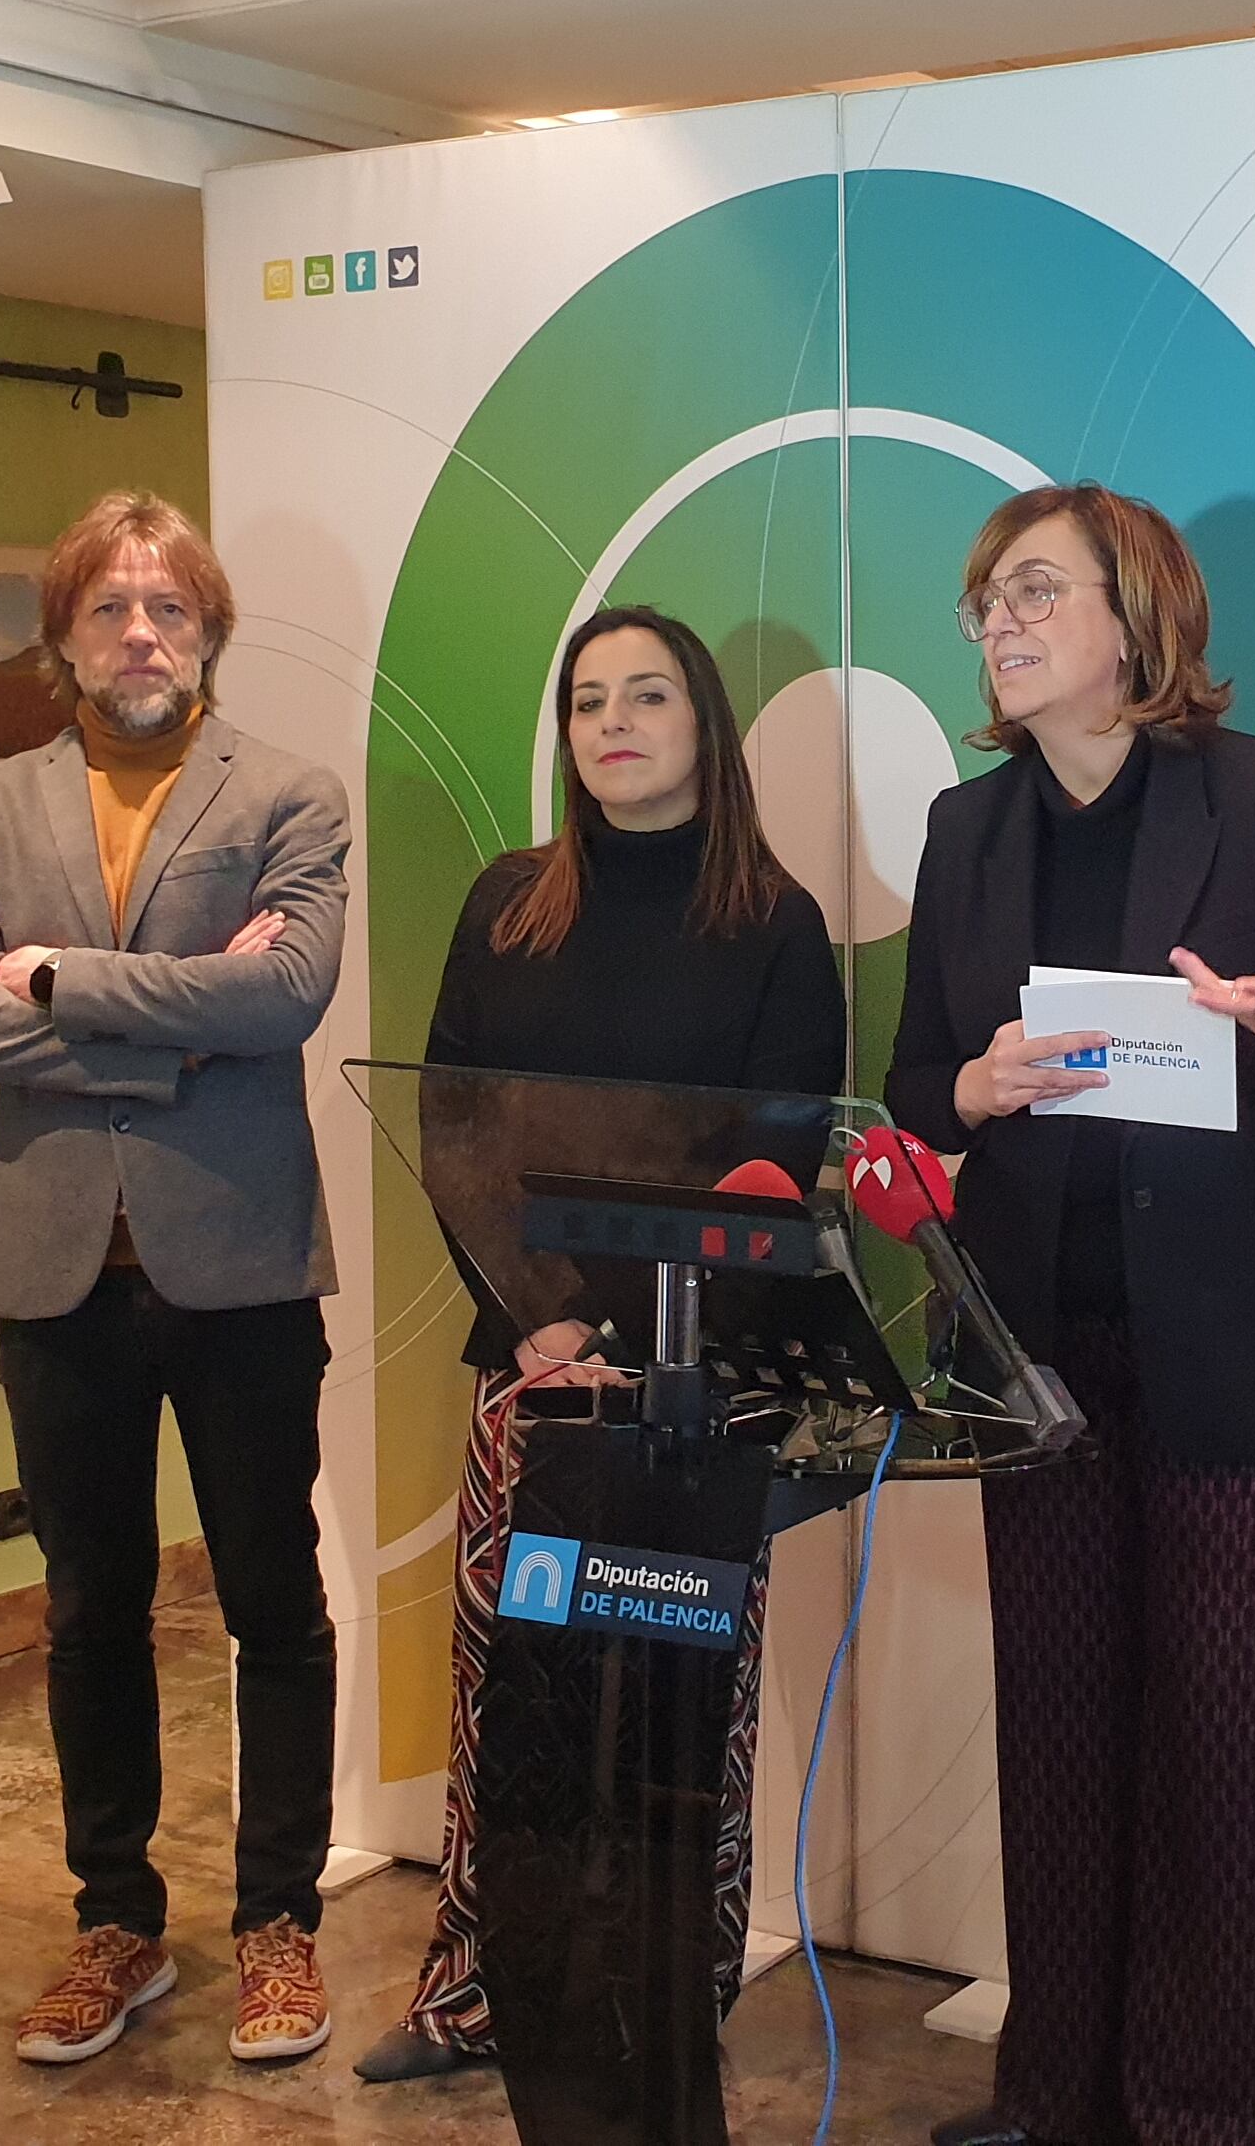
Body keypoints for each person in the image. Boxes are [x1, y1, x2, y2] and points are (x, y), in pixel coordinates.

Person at [889, 483, 1255, 2146]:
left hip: (1248, 1362)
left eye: (1037, 588)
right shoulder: (964, 830)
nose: (999, 616)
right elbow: (917, 1079)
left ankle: (1204, 2115)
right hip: (1041, 1359)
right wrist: (968, 1088)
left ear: (1135, 620)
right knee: (1058, 1744)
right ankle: (1059, 2096)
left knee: (1224, 1763)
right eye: (987, 592)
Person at [357, 603, 850, 2083]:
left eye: (647, 695)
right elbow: (454, 1125)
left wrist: (635, 1330)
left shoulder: (775, 923)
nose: (613, 722)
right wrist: (541, 1317)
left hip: (698, 1392)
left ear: (705, 722)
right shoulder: (509, 902)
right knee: (510, 1689)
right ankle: (478, 1984)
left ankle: (671, 1975)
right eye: (586, 701)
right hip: (532, 1371)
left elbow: (774, 1150)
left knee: (678, 1695)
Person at [0, 489, 353, 2069]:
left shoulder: (291, 795)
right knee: (90, 1608)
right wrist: (177, 1019)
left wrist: (56, 982)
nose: (142, 635)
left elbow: (287, 999)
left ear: (212, 632)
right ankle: (115, 1920)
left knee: (270, 1604)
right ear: (65, 638)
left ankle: (280, 1925)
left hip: (238, 1268)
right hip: (56, 1275)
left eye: (169, 608)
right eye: (110, 609)